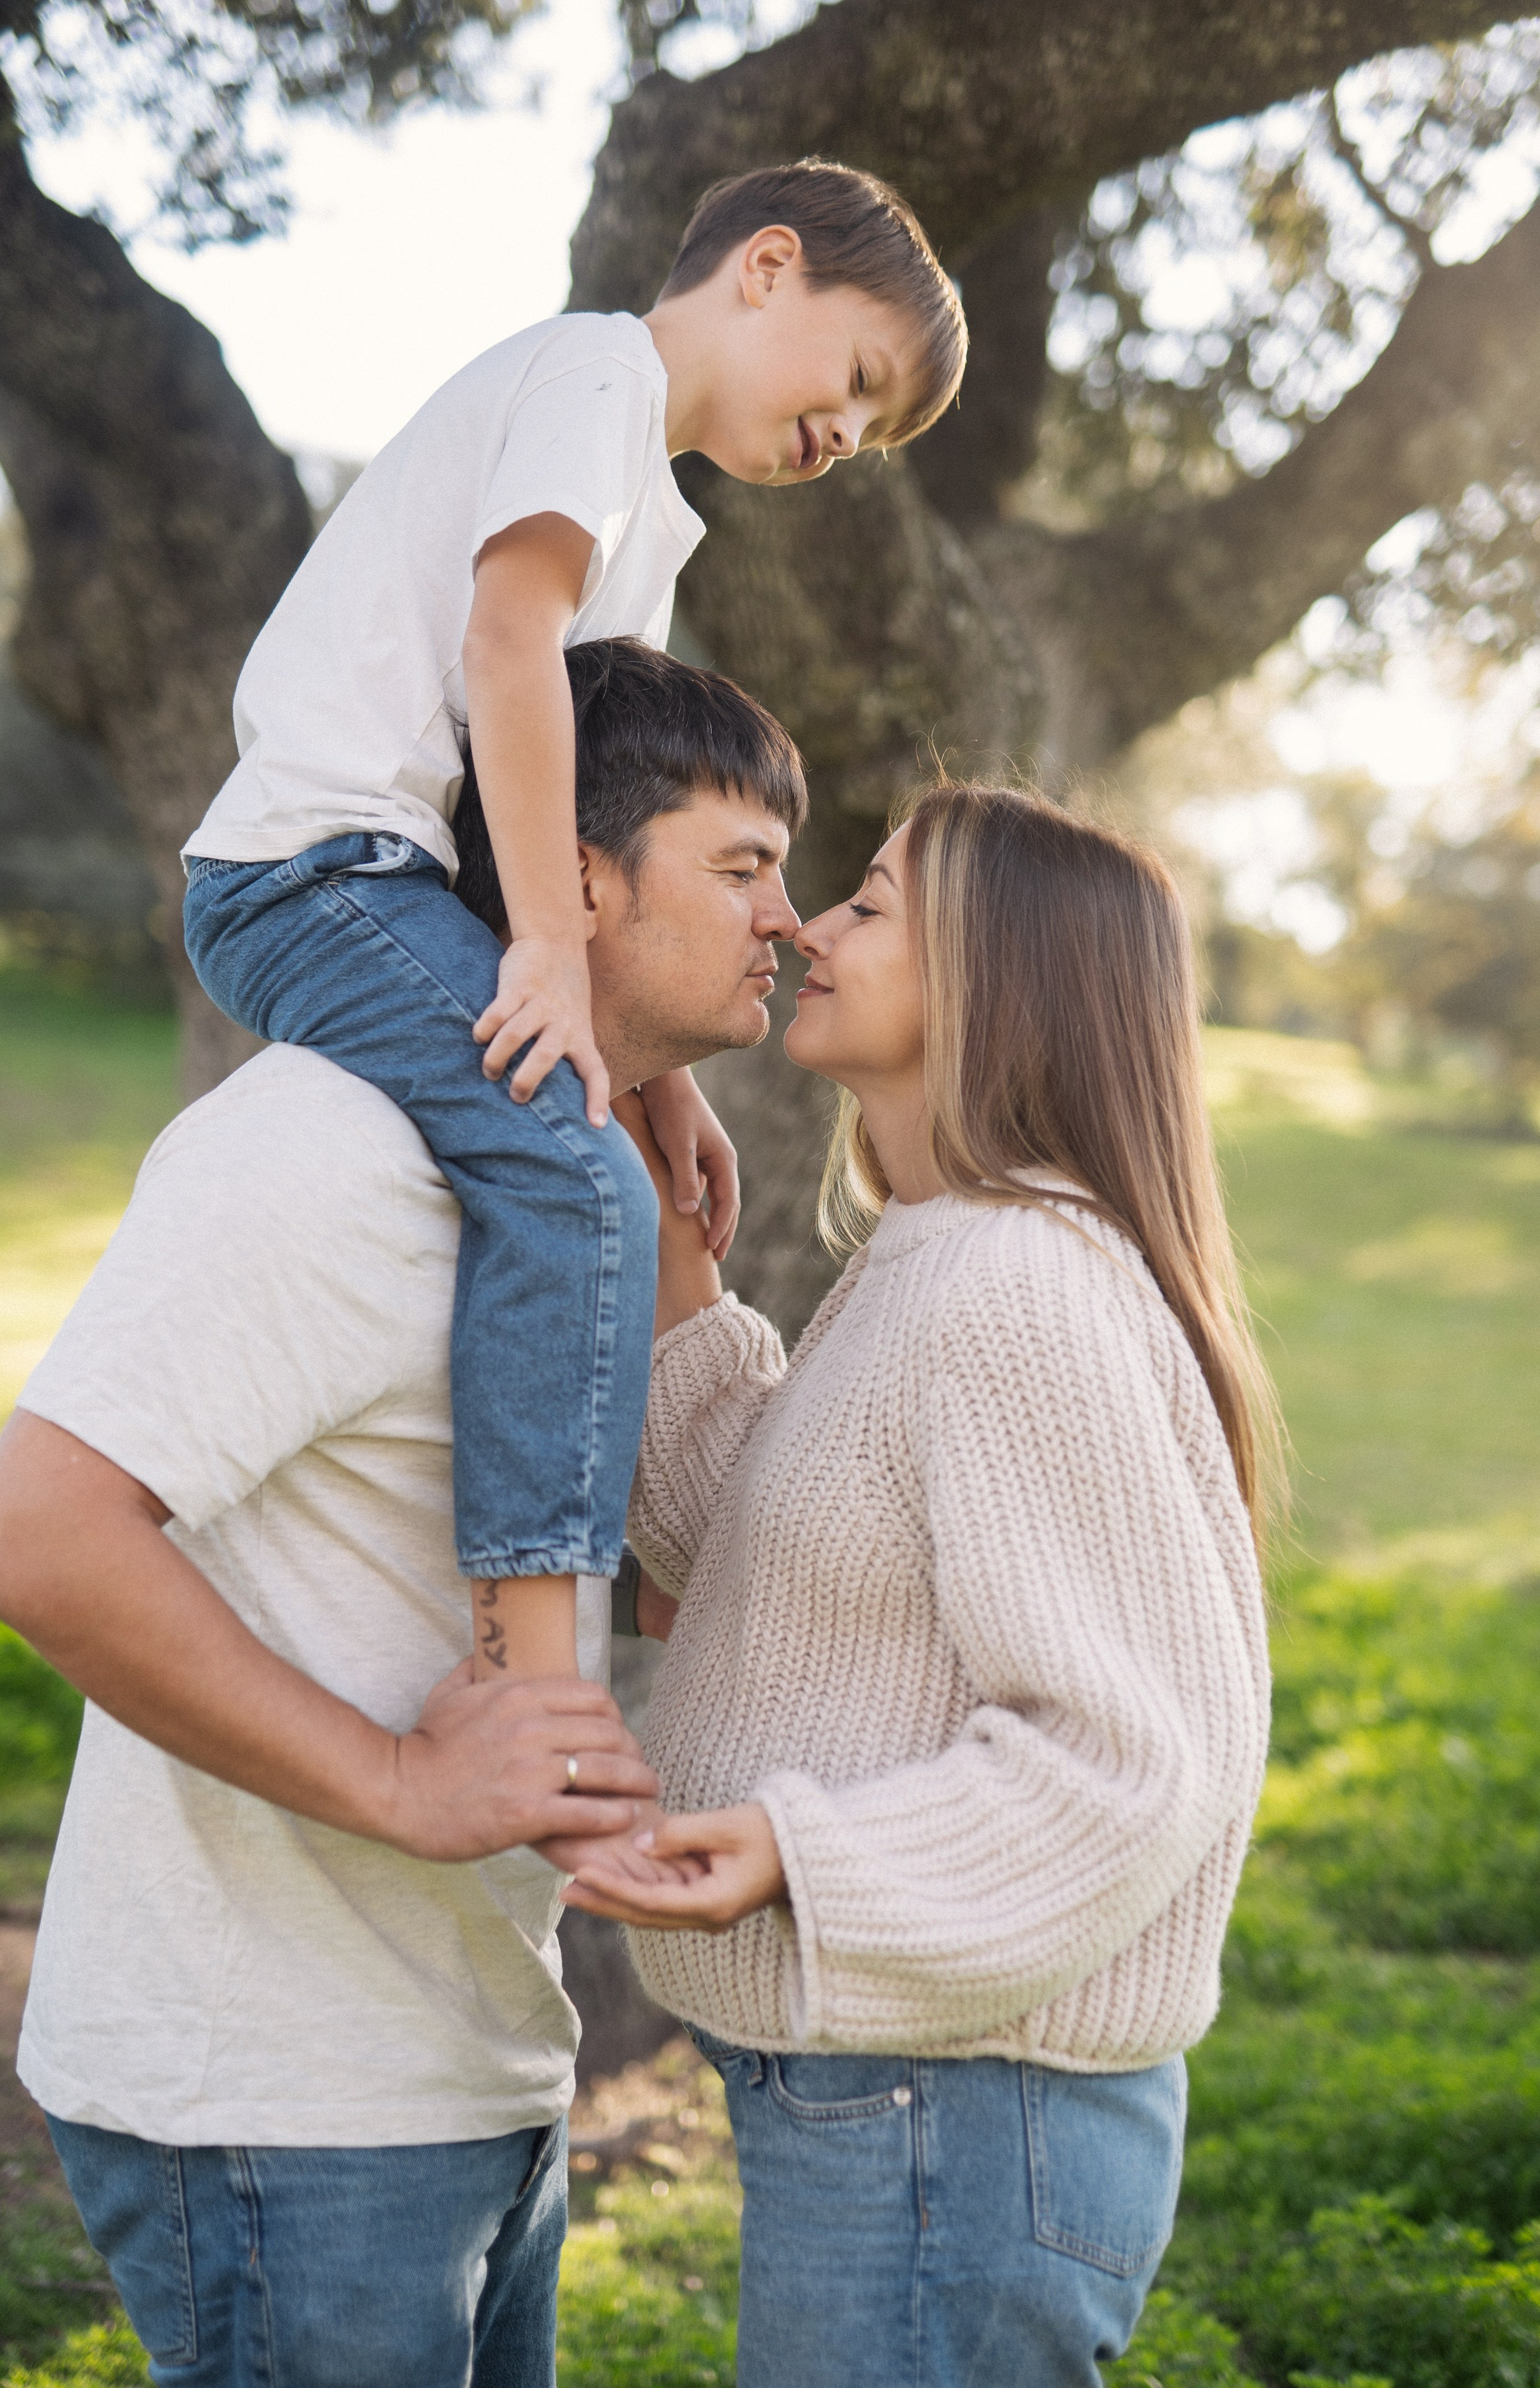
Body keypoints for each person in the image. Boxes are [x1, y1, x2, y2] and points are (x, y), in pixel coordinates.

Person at [0, 639, 806, 2388]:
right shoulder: (331, 1150)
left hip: (469, 2064)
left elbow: (665, 1566)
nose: (786, 923)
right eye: (743, 868)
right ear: (579, 875)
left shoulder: (568, 1196)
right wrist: (408, 1789)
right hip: (279, 2098)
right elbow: (33, 1538)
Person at [179, 159, 967, 1705]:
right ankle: (539, 1662)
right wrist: (546, 949)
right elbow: (505, 638)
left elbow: (609, 817)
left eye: (870, 435)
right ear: (766, 265)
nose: (843, 439)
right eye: (856, 380)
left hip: (401, 882)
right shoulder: (593, 370)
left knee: (611, 1149)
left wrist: (656, 1071)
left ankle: (646, 1571)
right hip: (311, 870)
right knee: (564, 1163)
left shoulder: (653, 529)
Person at [567, 781, 1278, 2388]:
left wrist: (791, 1854)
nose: (807, 926)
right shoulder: (947, 1253)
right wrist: (670, 1233)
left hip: (955, 2114)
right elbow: (765, 1555)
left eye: (869, 904)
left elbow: (1125, 1763)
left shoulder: (1014, 1286)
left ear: (999, 978)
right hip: (916, 2099)